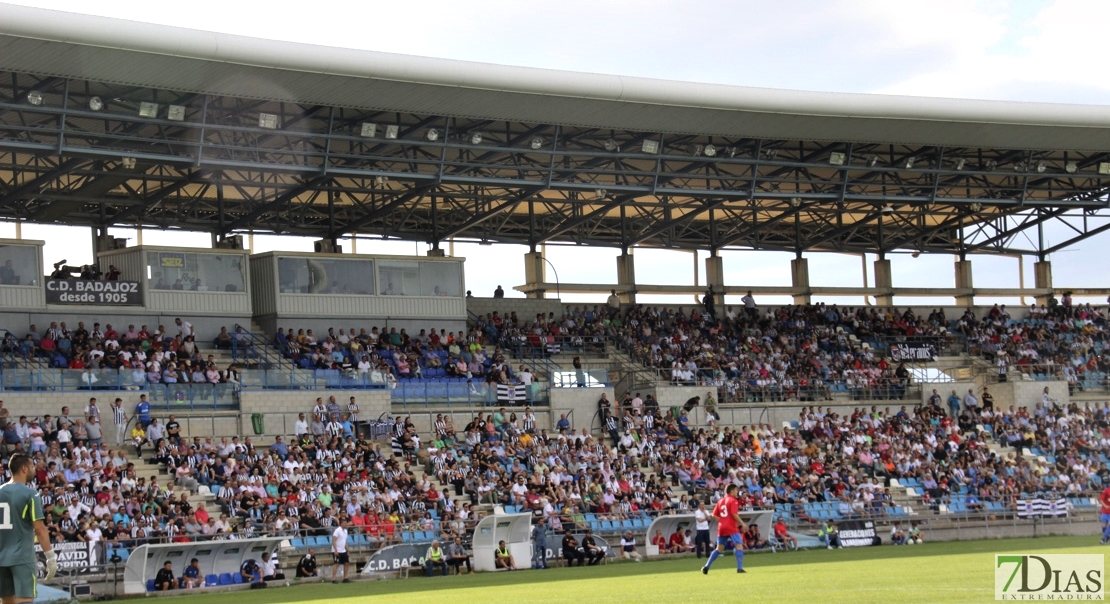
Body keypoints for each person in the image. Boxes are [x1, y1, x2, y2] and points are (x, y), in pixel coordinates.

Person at [0, 454, 58, 603]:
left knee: (6, 601)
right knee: (25, 599)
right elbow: (40, 528)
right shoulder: (30, 493)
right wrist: (50, 557)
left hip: (1, 557)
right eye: (32, 466)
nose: (34, 469)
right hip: (22, 557)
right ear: (24, 468)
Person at [701, 483, 747, 574]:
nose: (737, 492)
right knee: (739, 545)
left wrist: (722, 521)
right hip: (731, 526)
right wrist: (742, 523)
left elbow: (714, 514)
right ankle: (739, 568)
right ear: (732, 491)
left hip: (722, 527)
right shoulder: (733, 500)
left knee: (719, 549)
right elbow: (734, 514)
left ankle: (706, 566)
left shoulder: (721, 501)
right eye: (736, 490)